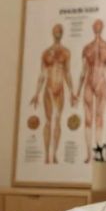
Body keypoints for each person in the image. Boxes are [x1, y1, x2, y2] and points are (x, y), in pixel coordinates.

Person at [72, 19, 106, 160]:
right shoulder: (87, 48)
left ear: (101, 27)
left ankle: (97, 153)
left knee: (99, 118)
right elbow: (83, 72)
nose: (97, 26)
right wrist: (77, 93)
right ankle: (88, 154)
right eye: (95, 25)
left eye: (99, 25)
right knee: (88, 119)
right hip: (89, 83)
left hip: (101, 83)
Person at [29, 24, 71, 164]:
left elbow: (67, 73)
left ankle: (55, 154)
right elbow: (42, 74)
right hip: (48, 89)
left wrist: (72, 92)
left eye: (60, 31)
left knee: (58, 120)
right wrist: (36, 93)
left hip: (60, 89)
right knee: (48, 121)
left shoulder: (66, 52)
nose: (58, 33)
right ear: (53, 33)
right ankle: (47, 155)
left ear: (62, 33)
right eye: (56, 31)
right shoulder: (46, 53)